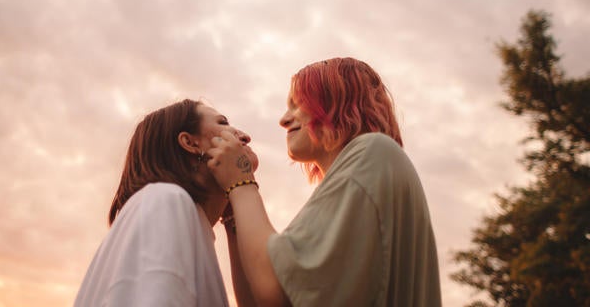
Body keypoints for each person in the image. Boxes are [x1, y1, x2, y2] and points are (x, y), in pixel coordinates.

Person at [207, 57, 442, 306]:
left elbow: (277, 291)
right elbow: (257, 301)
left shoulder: (372, 151)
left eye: (298, 105)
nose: (284, 120)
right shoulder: (368, 168)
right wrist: (234, 216)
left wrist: (241, 182)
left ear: (338, 103)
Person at [74, 99, 257, 307]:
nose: (244, 136)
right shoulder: (166, 201)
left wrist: (235, 214)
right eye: (223, 123)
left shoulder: (190, 222)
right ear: (190, 143)